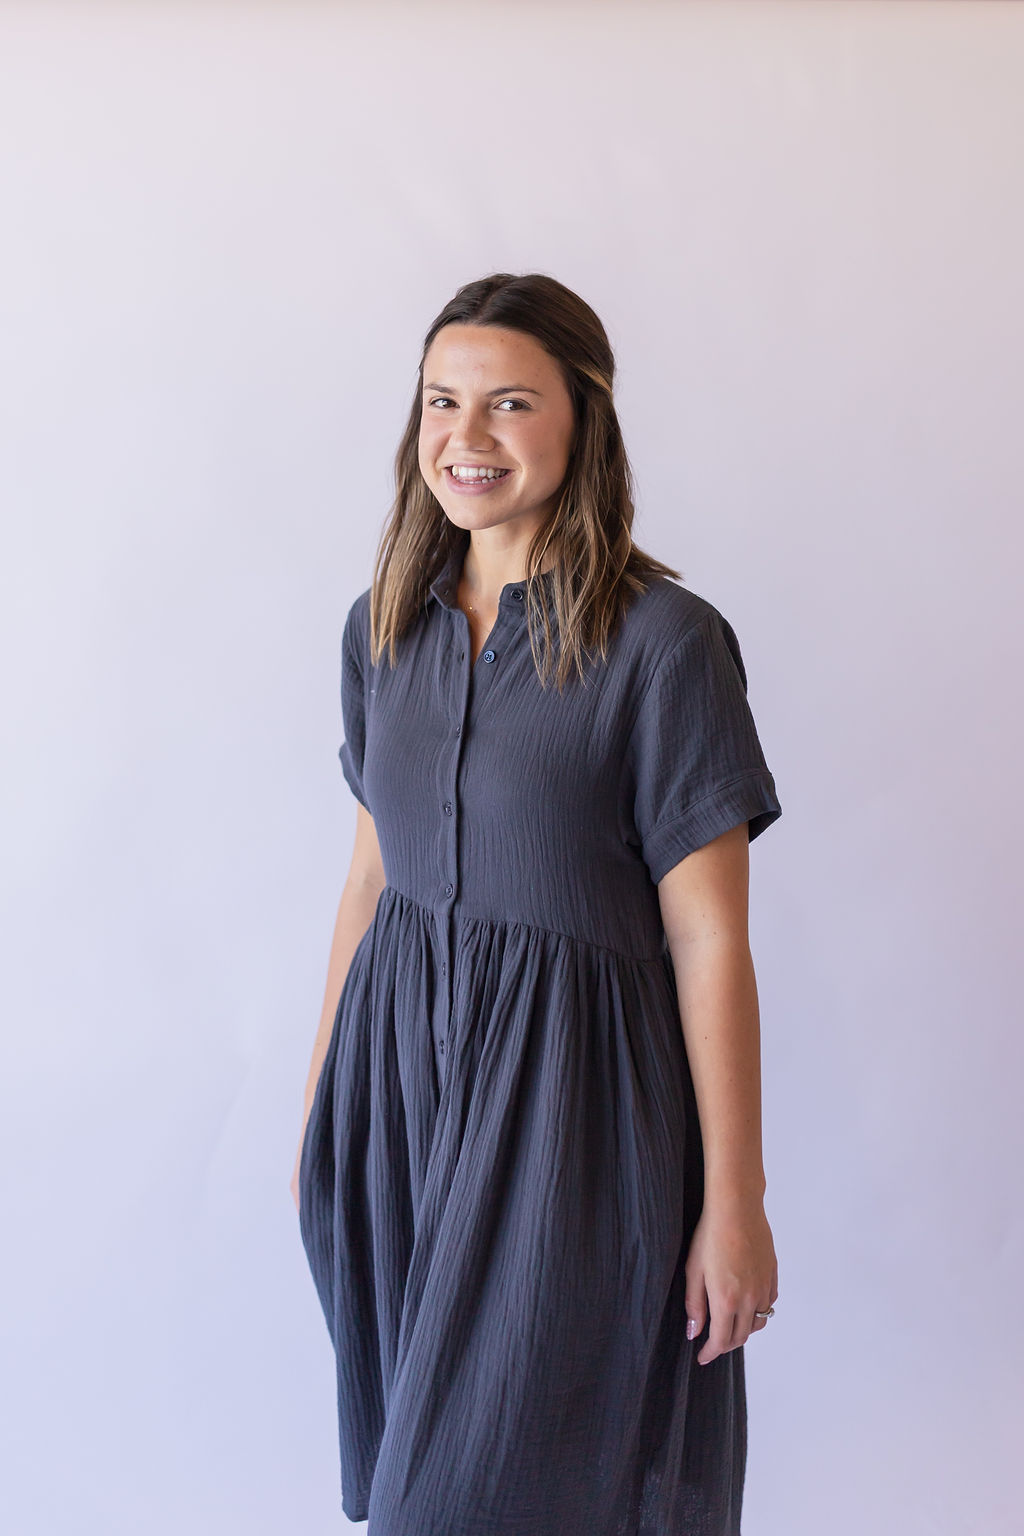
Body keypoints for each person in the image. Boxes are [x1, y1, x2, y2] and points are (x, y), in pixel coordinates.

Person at [291, 272, 783, 1535]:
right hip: (396, 1102)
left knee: (514, 1488)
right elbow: (368, 883)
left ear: (582, 420)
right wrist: (322, 1113)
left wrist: (735, 1201)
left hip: (572, 1114)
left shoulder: (664, 644)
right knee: (421, 1466)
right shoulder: (381, 631)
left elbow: (709, 936)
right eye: (440, 401)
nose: (466, 435)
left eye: (509, 402)